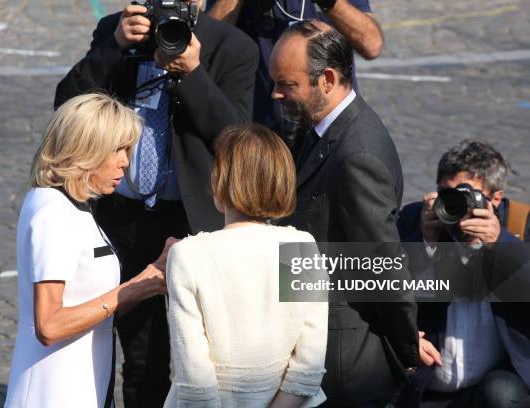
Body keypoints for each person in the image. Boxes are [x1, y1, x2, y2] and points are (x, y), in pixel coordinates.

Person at [54, 2, 258, 406]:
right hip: (122, 221)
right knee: (141, 359)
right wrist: (112, 48)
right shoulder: (117, 31)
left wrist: (193, 73)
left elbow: (237, 141)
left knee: (208, 354)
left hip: (193, 224)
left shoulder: (232, 47)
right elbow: (66, 106)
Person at [269, 21, 420, 406]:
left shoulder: (358, 154)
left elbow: (384, 264)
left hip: (344, 362)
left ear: (327, 79)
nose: (275, 94)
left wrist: (406, 349)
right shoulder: (322, 129)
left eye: (287, 84)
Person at [5, 94, 173, 407]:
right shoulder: (54, 214)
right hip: (53, 393)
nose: (126, 160)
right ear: (86, 149)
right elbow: (50, 325)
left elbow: (91, 305)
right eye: (118, 149)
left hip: (83, 388)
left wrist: (149, 282)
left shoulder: (74, 206)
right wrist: (137, 285)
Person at [164, 123, 329, 407]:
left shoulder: (189, 254)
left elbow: (194, 378)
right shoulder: (301, 247)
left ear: (221, 180)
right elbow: (308, 368)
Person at [398, 140, 530, 408]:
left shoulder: (522, 225)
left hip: (495, 385)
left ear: (495, 199)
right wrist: (424, 242)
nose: (456, 204)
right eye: (448, 193)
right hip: (424, 383)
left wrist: (499, 244)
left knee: (502, 394)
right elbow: (377, 284)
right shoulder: (416, 219)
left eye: (467, 195)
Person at [208, 0, 382, 143]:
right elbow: (207, 48)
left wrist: (331, 3)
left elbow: (372, 44)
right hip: (265, 137)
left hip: (331, 130)